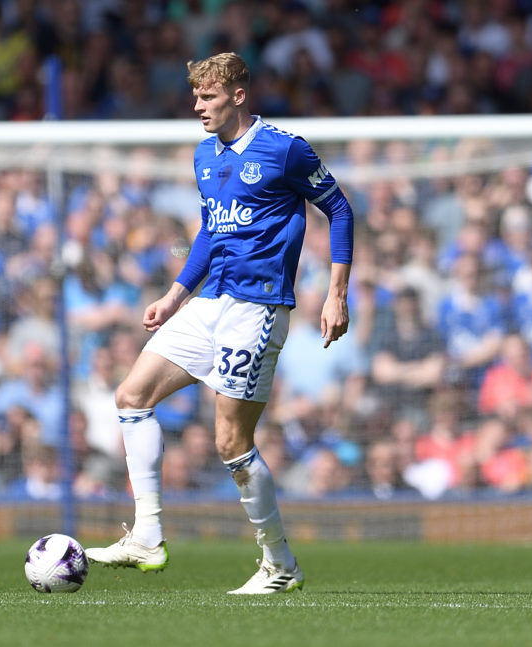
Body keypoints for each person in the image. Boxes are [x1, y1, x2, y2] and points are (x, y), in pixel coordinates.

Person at [85, 53, 353, 594]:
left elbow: (341, 210)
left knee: (230, 441)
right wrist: (175, 294)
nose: (197, 106)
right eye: (195, 97)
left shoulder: (285, 149)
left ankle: (280, 564)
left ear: (236, 95)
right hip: (209, 302)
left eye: (207, 96)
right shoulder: (204, 155)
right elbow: (209, 231)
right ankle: (148, 535)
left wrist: (336, 294)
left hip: (258, 309)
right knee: (131, 396)